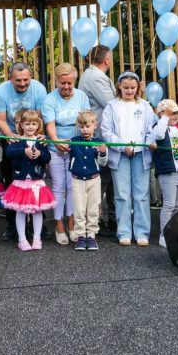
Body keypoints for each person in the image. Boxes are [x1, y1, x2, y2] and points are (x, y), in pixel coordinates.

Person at [0, 62, 48, 241]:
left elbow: (39, 117)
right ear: (10, 79)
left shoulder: (38, 89)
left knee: (36, 181)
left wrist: (38, 136)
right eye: (18, 81)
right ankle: (12, 225)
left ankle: (40, 223)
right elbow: (0, 119)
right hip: (11, 136)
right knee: (12, 181)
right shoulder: (1, 91)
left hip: (33, 136)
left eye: (26, 80)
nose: (23, 83)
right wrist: (13, 137)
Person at [100, 70, 156, 247]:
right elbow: (106, 131)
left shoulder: (145, 106)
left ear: (138, 87)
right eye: (126, 88)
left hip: (141, 154)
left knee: (141, 194)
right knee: (122, 194)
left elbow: (151, 129)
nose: (129, 91)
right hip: (121, 155)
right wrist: (122, 146)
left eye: (132, 88)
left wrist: (149, 142)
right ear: (119, 87)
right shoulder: (112, 106)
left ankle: (142, 232)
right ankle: (124, 231)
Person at [42, 62, 90, 245]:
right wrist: (56, 141)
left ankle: (71, 222)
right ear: (56, 81)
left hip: (76, 148)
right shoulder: (50, 99)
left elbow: (86, 121)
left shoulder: (82, 97)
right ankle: (58, 223)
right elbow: (50, 125)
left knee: (73, 186)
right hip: (56, 148)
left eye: (70, 83)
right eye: (63, 83)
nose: (67, 87)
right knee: (58, 186)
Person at [2, 110, 55, 251]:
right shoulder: (16, 140)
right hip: (20, 182)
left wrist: (40, 153)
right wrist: (23, 151)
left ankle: (37, 238)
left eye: (33, 124)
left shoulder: (41, 141)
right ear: (22, 125)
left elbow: (47, 157)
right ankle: (22, 239)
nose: (30, 127)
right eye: (27, 124)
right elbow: (9, 153)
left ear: (38, 125)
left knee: (37, 211)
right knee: (20, 211)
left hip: (36, 182)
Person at [78, 45, 117, 236]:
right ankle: (100, 221)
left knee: (104, 181)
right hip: (100, 134)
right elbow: (112, 104)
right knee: (102, 181)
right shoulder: (96, 77)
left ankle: (106, 219)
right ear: (107, 60)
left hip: (100, 134)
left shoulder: (90, 74)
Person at [148, 99, 178, 249]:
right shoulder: (159, 127)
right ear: (162, 114)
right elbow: (158, 136)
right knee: (169, 205)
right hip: (168, 172)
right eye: (172, 113)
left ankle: (175, 233)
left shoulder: (177, 130)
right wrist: (164, 117)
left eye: (176, 113)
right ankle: (163, 235)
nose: (176, 116)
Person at [68, 110, 108, 251]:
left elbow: (102, 163)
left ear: (95, 126)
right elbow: (61, 151)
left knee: (93, 208)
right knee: (79, 208)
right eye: (82, 126)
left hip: (94, 180)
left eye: (88, 126)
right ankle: (80, 236)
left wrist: (103, 152)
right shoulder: (73, 141)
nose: (85, 129)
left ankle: (91, 235)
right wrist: (64, 146)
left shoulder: (99, 143)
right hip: (77, 180)